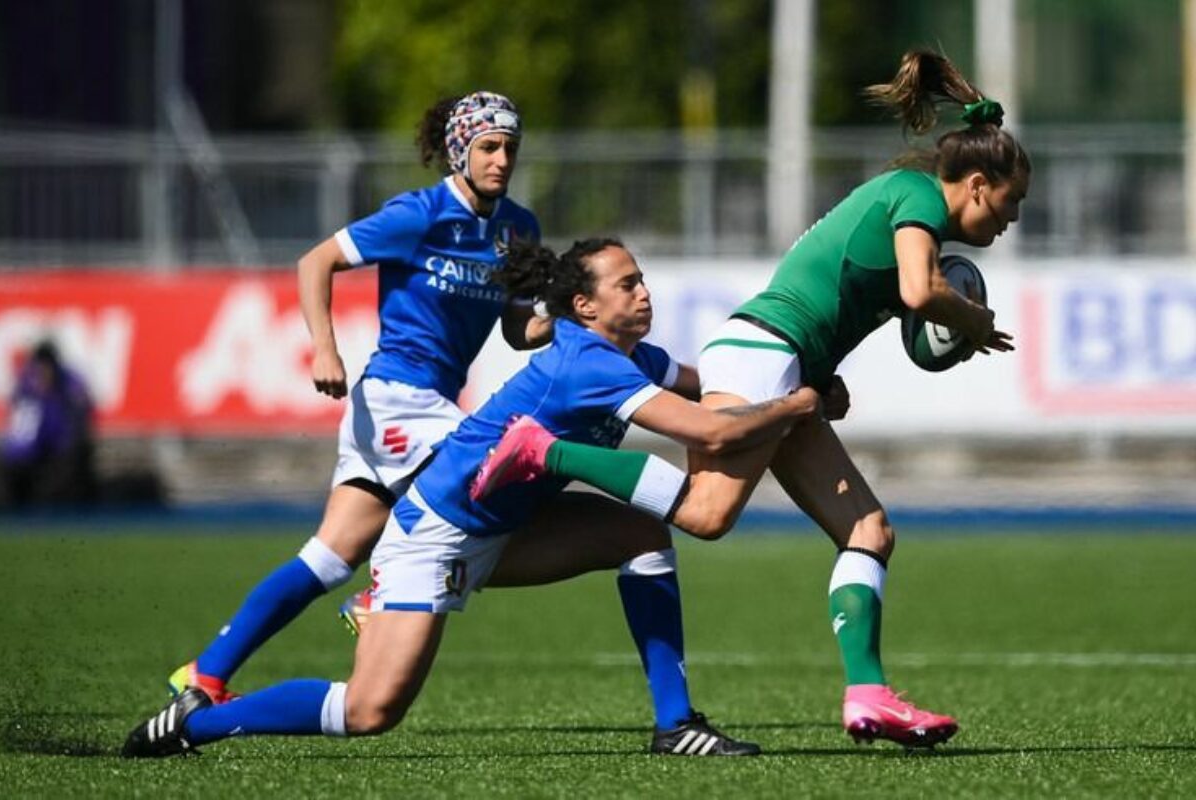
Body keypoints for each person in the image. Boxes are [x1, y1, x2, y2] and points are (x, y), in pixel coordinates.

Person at [471, 50, 1030, 748]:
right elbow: (920, 293)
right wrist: (974, 321)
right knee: (707, 515)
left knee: (869, 530)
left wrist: (820, 378)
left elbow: (839, 291)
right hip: (763, 349)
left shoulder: (909, 203)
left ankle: (868, 696)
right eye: (1013, 203)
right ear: (978, 185)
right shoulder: (918, 199)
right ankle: (548, 451)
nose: (1013, 220)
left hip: (782, 355)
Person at [122, 238, 823, 758]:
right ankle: (196, 723)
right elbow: (710, 430)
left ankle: (677, 725)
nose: (644, 293)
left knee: (641, 536)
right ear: (584, 307)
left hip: (508, 526)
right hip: (436, 538)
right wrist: (796, 402)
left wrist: (781, 382)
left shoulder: (629, 357)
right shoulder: (586, 365)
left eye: (643, 280)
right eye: (629, 283)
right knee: (370, 712)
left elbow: (706, 389)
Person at [162, 91, 663, 721]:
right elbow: (314, 261)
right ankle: (377, 598)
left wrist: (557, 324)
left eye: (510, 146)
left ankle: (204, 674)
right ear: (459, 152)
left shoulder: (518, 230)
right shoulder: (418, 216)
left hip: (431, 405)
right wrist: (324, 348)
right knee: (487, 480)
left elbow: (514, 330)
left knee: (328, 556)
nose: (501, 158)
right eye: (487, 146)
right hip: (396, 398)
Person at [0, 340, 95, 508]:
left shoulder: (69, 384)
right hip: (32, 452)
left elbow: (80, 418)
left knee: (70, 463)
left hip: (58, 449)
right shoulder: (27, 385)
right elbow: (20, 429)